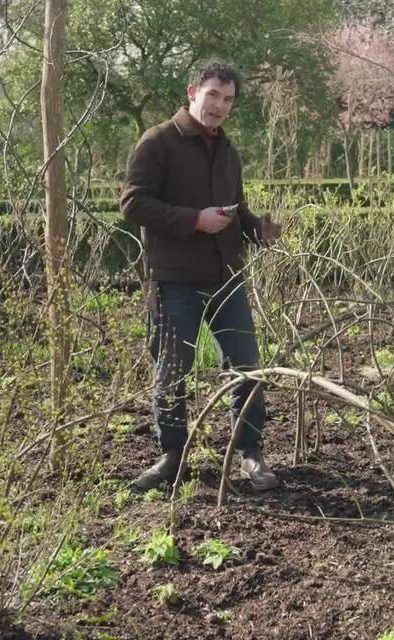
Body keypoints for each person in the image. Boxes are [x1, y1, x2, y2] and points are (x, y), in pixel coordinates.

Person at [120, 60, 282, 492]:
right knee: (171, 369)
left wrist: (257, 229)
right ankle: (173, 456)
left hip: (226, 278)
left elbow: (234, 211)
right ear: (193, 92)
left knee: (246, 366)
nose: (220, 106)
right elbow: (133, 204)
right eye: (213, 95)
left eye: (228, 99)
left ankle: (249, 453)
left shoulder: (228, 151)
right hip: (174, 279)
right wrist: (193, 220)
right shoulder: (157, 142)